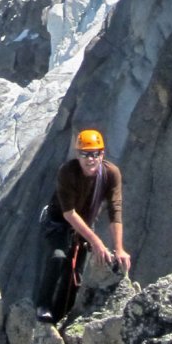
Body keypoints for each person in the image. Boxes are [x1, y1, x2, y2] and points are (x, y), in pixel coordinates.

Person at [35, 127, 132, 323]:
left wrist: (119, 248)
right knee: (58, 257)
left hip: (84, 225)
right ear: (77, 155)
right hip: (58, 223)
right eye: (85, 154)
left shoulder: (111, 174)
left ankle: (59, 318)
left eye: (94, 154)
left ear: (101, 154)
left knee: (74, 277)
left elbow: (115, 210)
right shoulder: (68, 172)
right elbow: (69, 213)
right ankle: (43, 305)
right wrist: (97, 242)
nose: (90, 159)